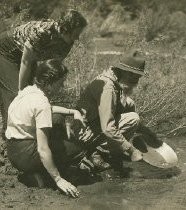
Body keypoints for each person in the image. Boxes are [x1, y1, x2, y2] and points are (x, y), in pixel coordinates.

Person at [0, 9, 87, 138]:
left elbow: (52, 69)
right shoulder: (43, 32)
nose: (77, 37)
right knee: (15, 96)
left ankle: (30, 130)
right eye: (75, 33)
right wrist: (21, 92)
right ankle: (11, 138)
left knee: (33, 93)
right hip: (7, 52)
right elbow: (25, 62)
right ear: (66, 28)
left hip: (29, 56)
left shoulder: (67, 42)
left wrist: (44, 95)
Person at [5, 59, 85, 197]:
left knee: (58, 118)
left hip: (13, 150)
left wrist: (73, 112)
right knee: (78, 148)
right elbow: (42, 149)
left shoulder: (27, 91)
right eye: (60, 83)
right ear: (49, 84)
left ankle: (41, 172)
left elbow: (49, 109)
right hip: (26, 156)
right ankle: (44, 177)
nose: (63, 87)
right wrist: (59, 180)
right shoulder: (41, 103)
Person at [72, 50, 150, 170]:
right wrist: (131, 150)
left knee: (129, 103)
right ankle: (97, 153)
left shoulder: (111, 78)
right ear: (126, 72)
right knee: (133, 119)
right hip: (85, 135)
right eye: (135, 76)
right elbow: (108, 128)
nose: (137, 80)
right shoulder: (108, 88)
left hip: (92, 125)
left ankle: (111, 148)